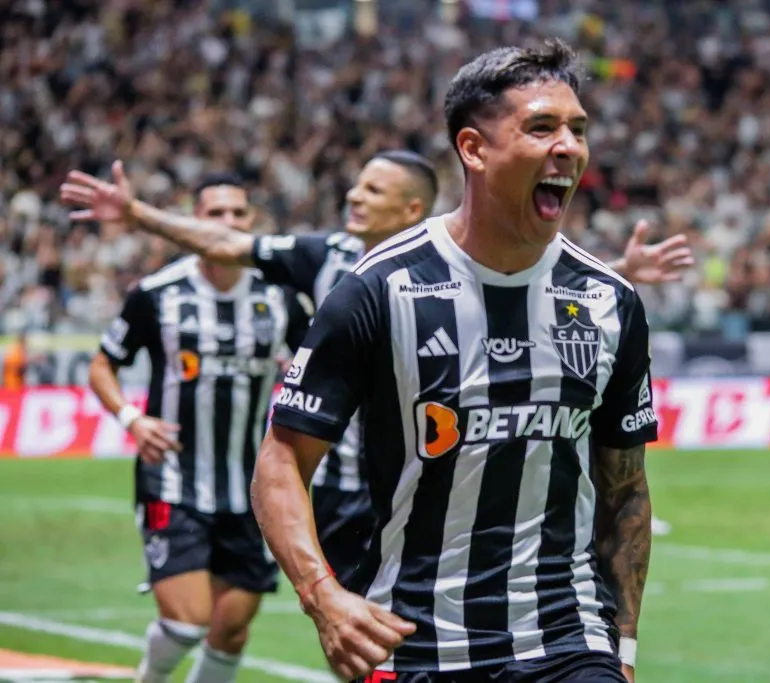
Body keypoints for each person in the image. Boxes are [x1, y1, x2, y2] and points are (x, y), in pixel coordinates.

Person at [62, 152, 690, 586]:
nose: (352, 197)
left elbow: (530, 290)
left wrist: (621, 273)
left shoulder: (453, 265)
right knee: (369, 637)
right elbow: (228, 245)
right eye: (355, 186)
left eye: (371, 190)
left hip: (429, 475)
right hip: (343, 487)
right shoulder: (324, 255)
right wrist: (138, 214)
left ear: (410, 206)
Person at [251, 40, 655, 682]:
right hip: (414, 644)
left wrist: (622, 650)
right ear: (474, 149)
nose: (570, 148)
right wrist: (322, 598)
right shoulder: (378, 289)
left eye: (578, 129)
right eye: (542, 127)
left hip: (566, 641)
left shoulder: (608, 301)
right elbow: (280, 459)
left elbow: (626, 488)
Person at [87, 173, 311, 683]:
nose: (228, 224)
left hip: (252, 488)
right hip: (172, 479)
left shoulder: (280, 298)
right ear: (194, 220)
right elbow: (102, 365)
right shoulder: (156, 293)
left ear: (252, 222)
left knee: (231, 630)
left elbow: (316, 365)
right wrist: (131, 418)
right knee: (188, 621)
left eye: (238, 214)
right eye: (216, 214)